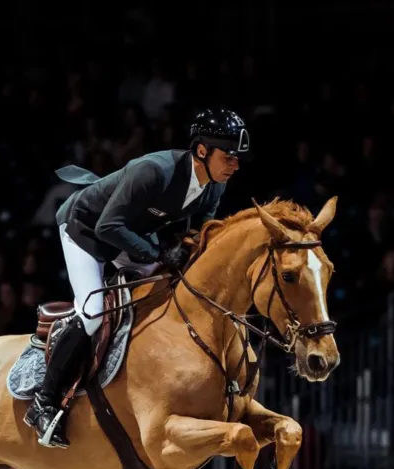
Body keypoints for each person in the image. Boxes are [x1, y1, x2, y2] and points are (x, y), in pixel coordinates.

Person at [24, 108, 250, 448]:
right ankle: (45, 401)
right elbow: (107, 227)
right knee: (92, 313)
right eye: (229, 156)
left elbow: (197, 234)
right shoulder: (153, 171)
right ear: (202, 151)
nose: (235, 164)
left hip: (131, 234)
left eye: (236, 158)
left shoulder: (214, 187)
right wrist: (159, 254)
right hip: (85, 230)